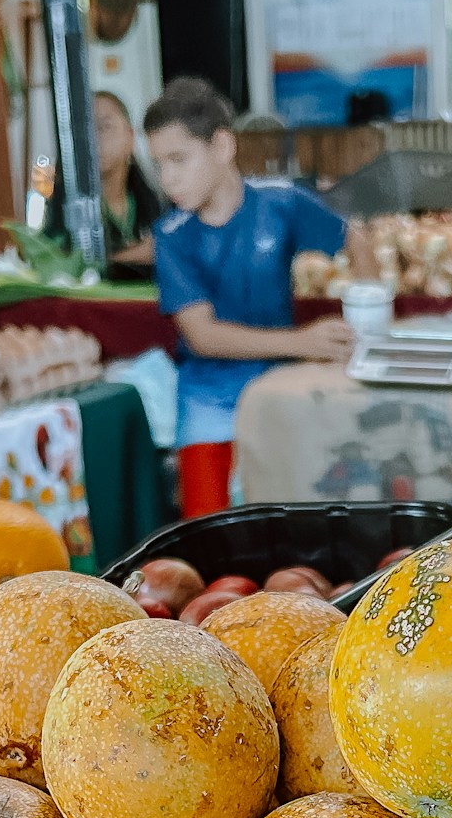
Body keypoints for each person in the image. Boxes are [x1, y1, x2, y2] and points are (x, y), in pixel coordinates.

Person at [146, 76, 372, 516]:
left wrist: (368, 325)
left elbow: (356, 240)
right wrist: (302, 343)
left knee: (299, 521)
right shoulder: (170, 236)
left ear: (223, 147)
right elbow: (203, 336)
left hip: (281, 391)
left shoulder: (281, 202)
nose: (167, 177)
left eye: (179, 159)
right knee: (210, 536)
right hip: (208, 404)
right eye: (158, 164)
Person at [32, 90, 160, 269]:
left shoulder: (157, 205)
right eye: (84, 131)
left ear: (130, 138)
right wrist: (129, 256)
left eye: (104, 127)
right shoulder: (64, 212)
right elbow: (54, 265)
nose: (93, 140)